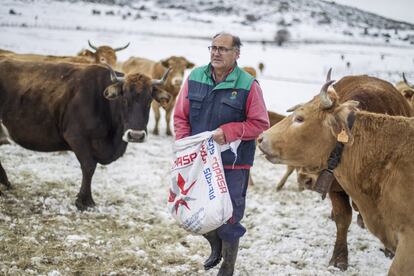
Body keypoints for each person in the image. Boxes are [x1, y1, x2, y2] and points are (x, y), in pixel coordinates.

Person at [174, 32, 269, 276]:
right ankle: (215, 243)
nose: (216, 52)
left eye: (223, 49)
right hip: (198, 161)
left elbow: (260, 124)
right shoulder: (195, 77)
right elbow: (181, 116)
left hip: (233, 163)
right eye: (213, 47)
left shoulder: (248, 85)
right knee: (197, 208)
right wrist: (185, 145)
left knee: (229, 213)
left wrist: (228, 132)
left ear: (237, 53)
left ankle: (228, 264)